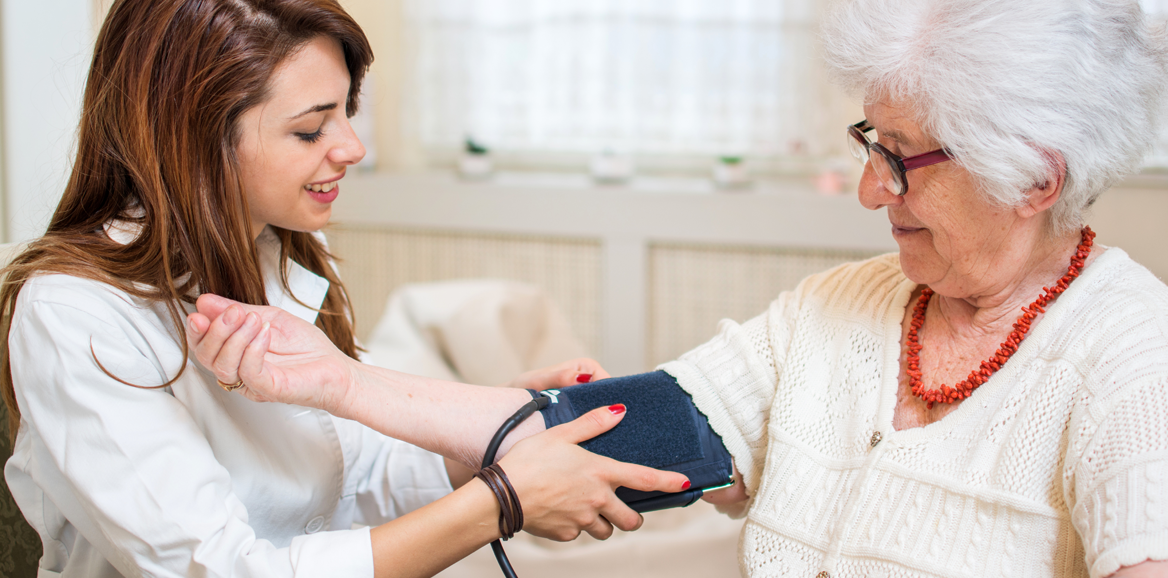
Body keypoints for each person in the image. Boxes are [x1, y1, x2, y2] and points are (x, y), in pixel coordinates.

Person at [190, 0, 1168, 576]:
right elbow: (616, 429)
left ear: (1032, 176)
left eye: (904, 158)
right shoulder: (843, 308)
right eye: (870, 143)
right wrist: (331, 380)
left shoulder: (1129, 356)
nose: (872, 188)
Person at [0, 1, 690, 577]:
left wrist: (490, 437)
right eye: (310, 128)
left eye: (346, 113)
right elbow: (220, 567)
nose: (352, 147)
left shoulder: (281, 249)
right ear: (194, 138)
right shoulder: (74, 312)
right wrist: (500, 501)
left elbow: (349, 477)